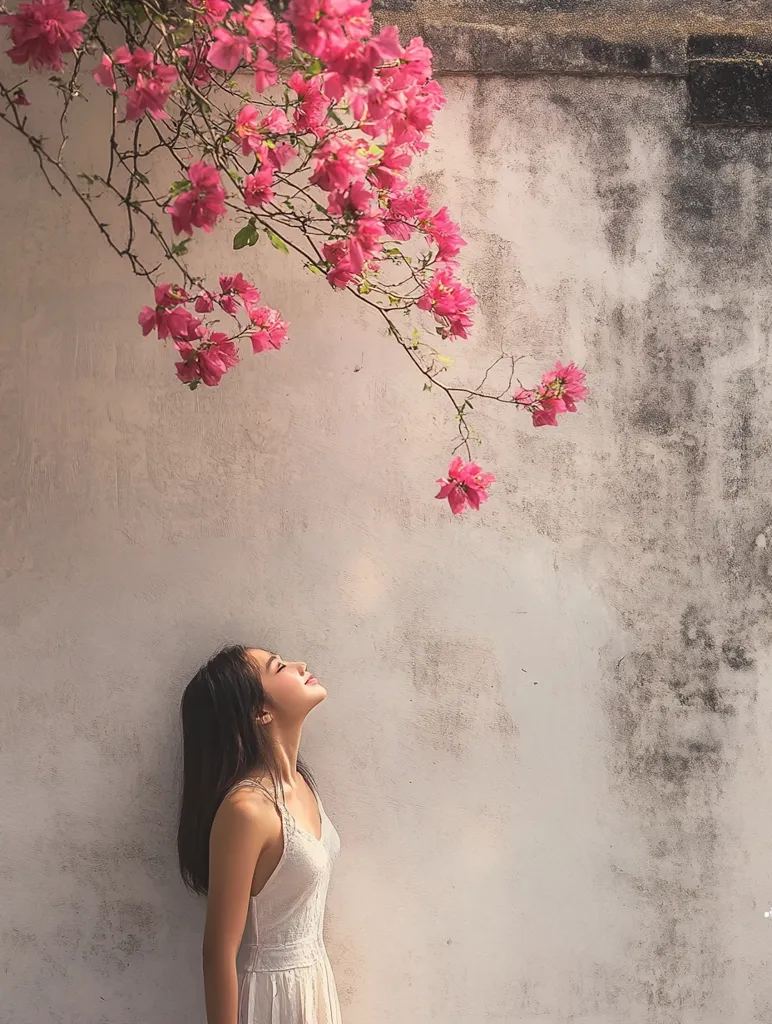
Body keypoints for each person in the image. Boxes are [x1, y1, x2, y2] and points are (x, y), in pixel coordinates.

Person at [177, 645, 341, 1024]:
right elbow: (218, 952)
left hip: (315, 981)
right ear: (260, 711)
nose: (300, 665)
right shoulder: (247, 810)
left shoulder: (301, 784)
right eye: (279, 667)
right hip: (274, 997)